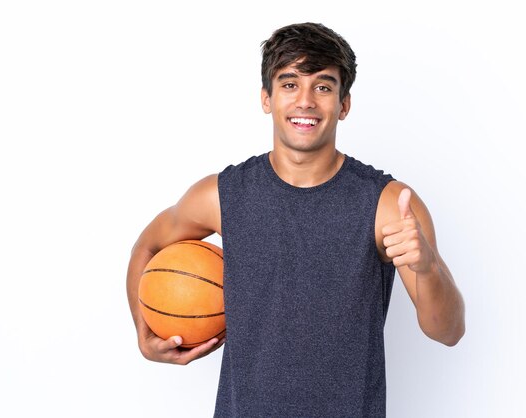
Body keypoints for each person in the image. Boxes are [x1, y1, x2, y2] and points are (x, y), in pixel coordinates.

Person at [126, 22, 465, 417]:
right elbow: (147, 246)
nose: (305, 100)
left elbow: (449, 331)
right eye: (289, 84)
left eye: (323, 87)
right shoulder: (221, 195)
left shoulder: (388, 205)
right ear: (266, 98)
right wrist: (144, 332)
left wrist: (425, 268)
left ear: (344, 104)